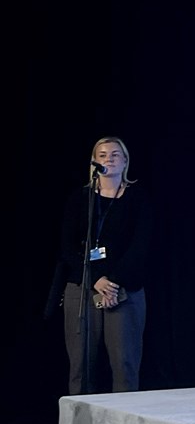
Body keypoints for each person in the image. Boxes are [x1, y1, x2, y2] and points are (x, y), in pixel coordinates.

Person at [59, 137, 152, 393]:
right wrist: (95, 279)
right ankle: (80, 418)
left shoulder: (138, 198)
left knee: (124, 364)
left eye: (114, 154)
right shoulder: (80, 198)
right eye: (102, 155)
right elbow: (67, 247)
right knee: (81, 365)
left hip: (124, 289)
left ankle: (124, 418)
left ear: (125, 161)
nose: (108, 159)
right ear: (94, 162)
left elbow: (141, 246)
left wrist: (113, 282)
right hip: (83, 287)